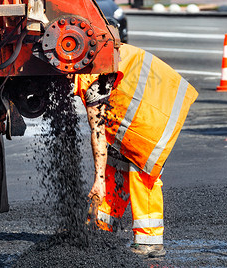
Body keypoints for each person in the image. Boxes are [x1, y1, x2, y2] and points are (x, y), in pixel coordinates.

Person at [73, 44, 198, 257]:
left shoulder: (92, 80)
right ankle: (102, 228)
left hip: (152, 116)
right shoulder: (91, 55)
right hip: (139, 112)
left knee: (142, 172)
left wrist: (98, 181)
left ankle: (150, 241)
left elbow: (98, 132)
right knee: (116, 165)